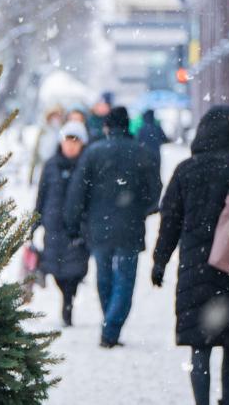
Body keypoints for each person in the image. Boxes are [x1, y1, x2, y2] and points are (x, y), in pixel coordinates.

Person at [152, 105, 229, 405]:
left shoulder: (186, 170)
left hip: (196, 270)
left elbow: (169, 220)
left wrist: (160, 261)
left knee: (200, 345)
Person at [64, 106, 162, 347]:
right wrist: (142, 210)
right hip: (130, 227)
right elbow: (154, 191)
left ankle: (109, 322)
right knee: (125, 280)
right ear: (127, 126)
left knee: (104, 276)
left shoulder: (93, 153)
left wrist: (74, 223)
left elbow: (78, 191)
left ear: (107, 127)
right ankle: (112, 326)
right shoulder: (141, 152)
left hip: (99, 227)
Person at [31, 120, 91, 326]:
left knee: (75, 270)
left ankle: (68, 301)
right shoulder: (50, 165)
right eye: (68, 140)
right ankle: (66, 299)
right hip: (54, 225)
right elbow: (41, 196)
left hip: (78, 228)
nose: (71, 145)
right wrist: (34, 223)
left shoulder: (87, 165)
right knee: (56, 270)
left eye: (76, 141)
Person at [28, 105, 64, 184]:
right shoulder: (44, 130)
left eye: (57, 117)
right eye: (54, 116)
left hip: (55, 164)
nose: (55, 119)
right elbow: (36, 150)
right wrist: (30, 176)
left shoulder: (62, 131)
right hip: (42, 162)